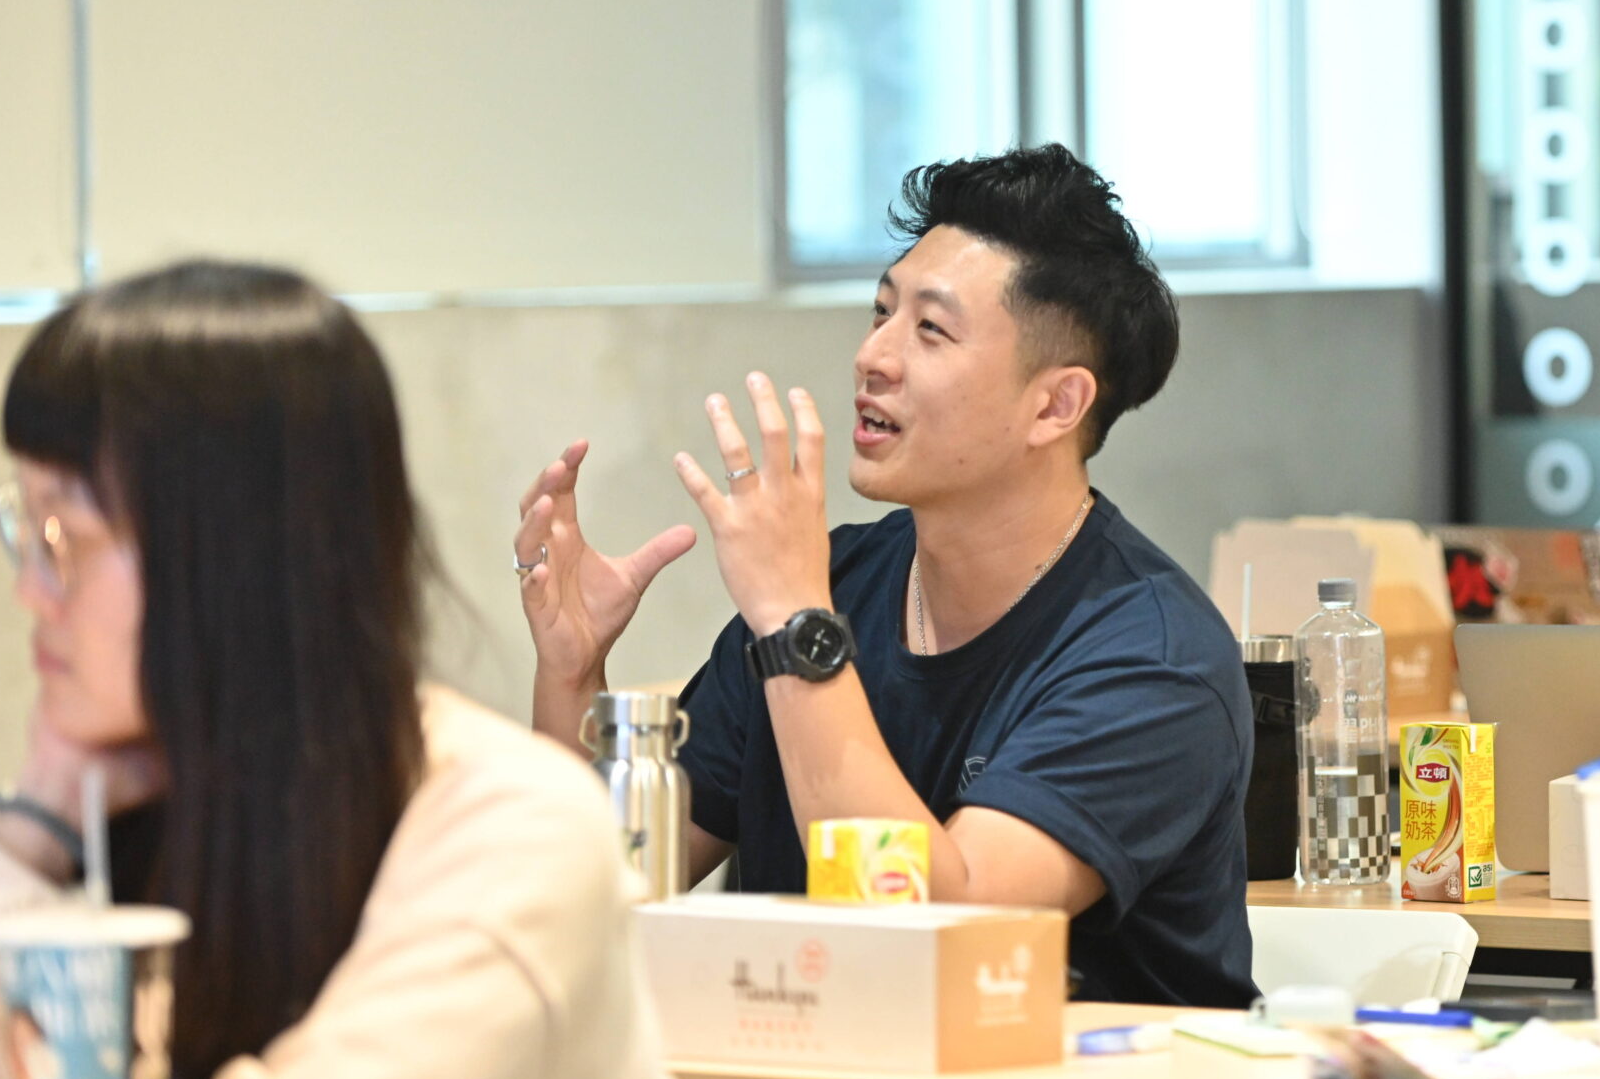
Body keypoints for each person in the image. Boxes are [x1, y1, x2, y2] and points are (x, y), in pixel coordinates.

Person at [0, 262, 805, 1079]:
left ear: (228, 559)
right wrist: (30, 833)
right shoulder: (137, 806)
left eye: (65, 538)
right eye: (22, 525)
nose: (27, 590)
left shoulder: (508, 826)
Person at [516, 145, 1255, 1007]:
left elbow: (940, 932)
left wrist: (795, 622)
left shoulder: (1153, 655)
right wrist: (572, 673)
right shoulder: (834, 583)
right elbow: (598, 889)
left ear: (1055, 405)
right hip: (814, 1075)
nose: (874, 355)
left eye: (930, 329)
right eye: (880, 312)